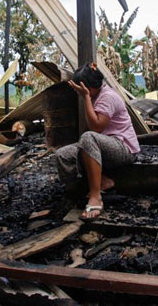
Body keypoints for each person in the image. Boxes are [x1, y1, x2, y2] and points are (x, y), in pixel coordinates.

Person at [54, 63, 140, 221]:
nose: (77, 91)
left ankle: (95, 196)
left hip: (124, 149)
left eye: (80, 88)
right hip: (105, 145)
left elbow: (96, 128)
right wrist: (87, 96)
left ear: (88, 87)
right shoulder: (96, 95)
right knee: (62, 155)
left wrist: (85, 97)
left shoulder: (107, 97)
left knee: (88, 137)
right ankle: (84, 189)